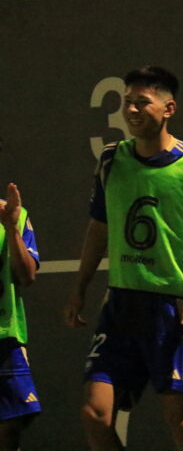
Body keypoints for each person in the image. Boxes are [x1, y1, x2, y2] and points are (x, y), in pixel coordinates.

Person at [63, 66, 183, 451]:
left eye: (142, 102)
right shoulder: (112, 160)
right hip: (121, 306)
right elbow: (99, 227)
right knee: (94, 413)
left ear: (169, 108)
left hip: (173, 311)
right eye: (128, 102)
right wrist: (79, 288)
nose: (132, 110)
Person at [0, 183, 41, 451]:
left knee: (10, 426)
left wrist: (12, 226)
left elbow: (27, 276)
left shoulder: (15, 213)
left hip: (5, 336)